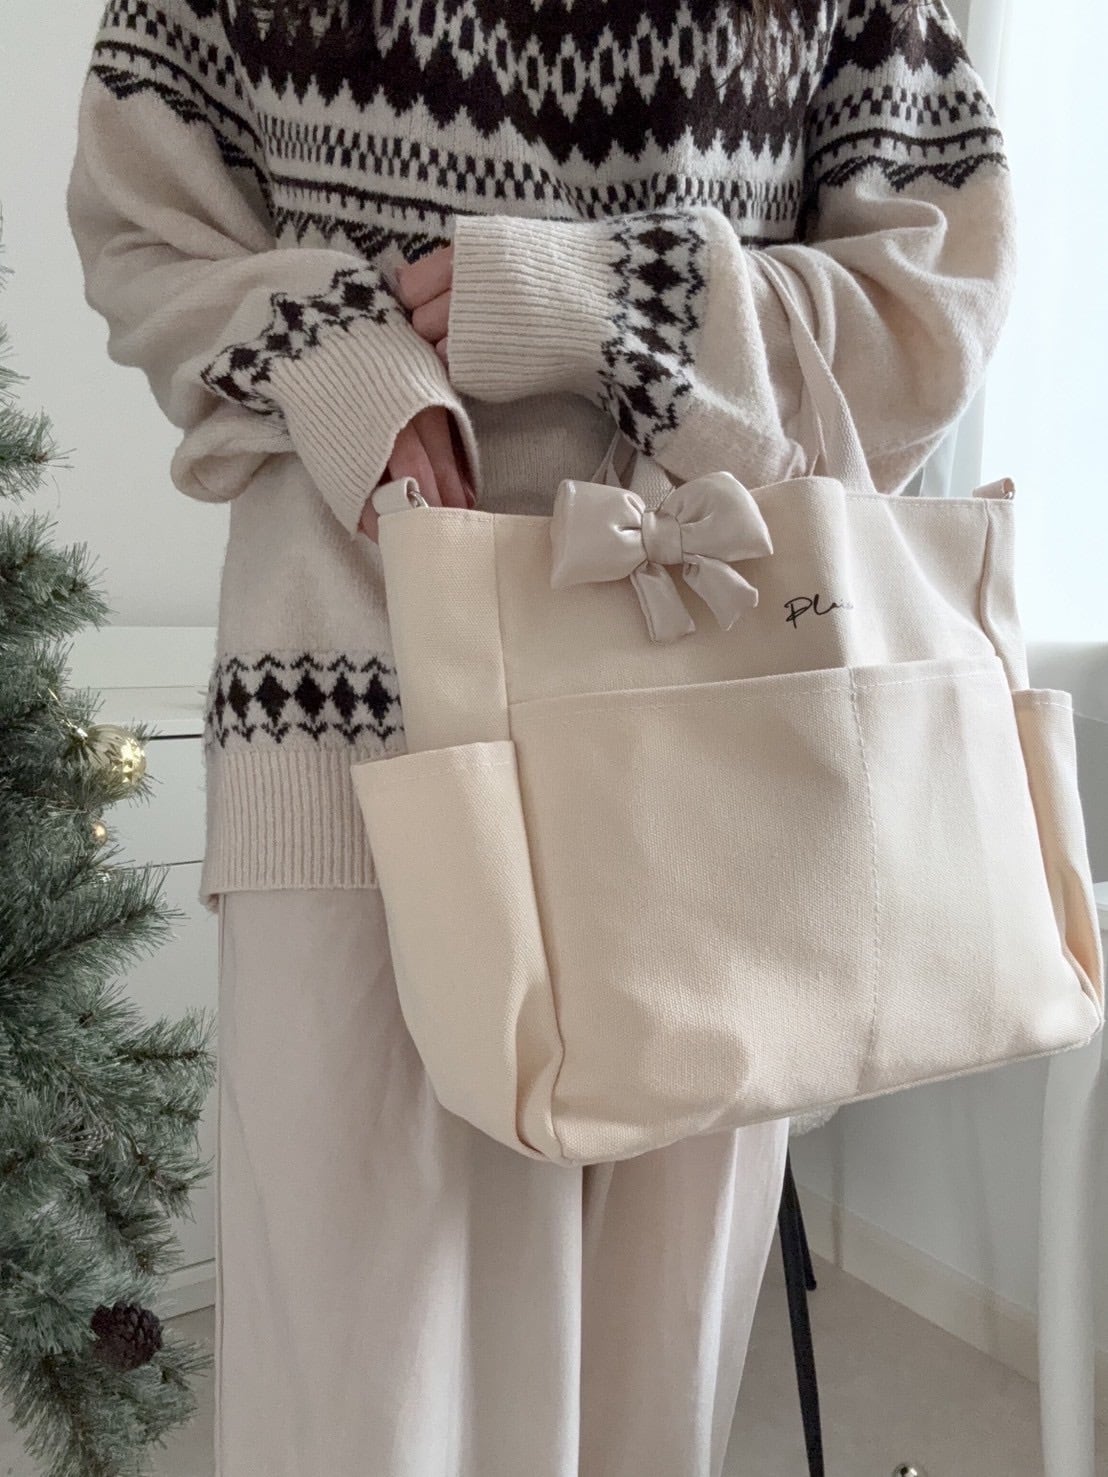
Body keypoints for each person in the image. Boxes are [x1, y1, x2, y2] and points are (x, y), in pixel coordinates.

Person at [65, 1, 1017, 1472]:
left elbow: (932, 301)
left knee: (645, 1395)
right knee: (358, 1394)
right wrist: (341, 362)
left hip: (709, 733)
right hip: (350, 705)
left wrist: (619, 299)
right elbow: (146, 224)